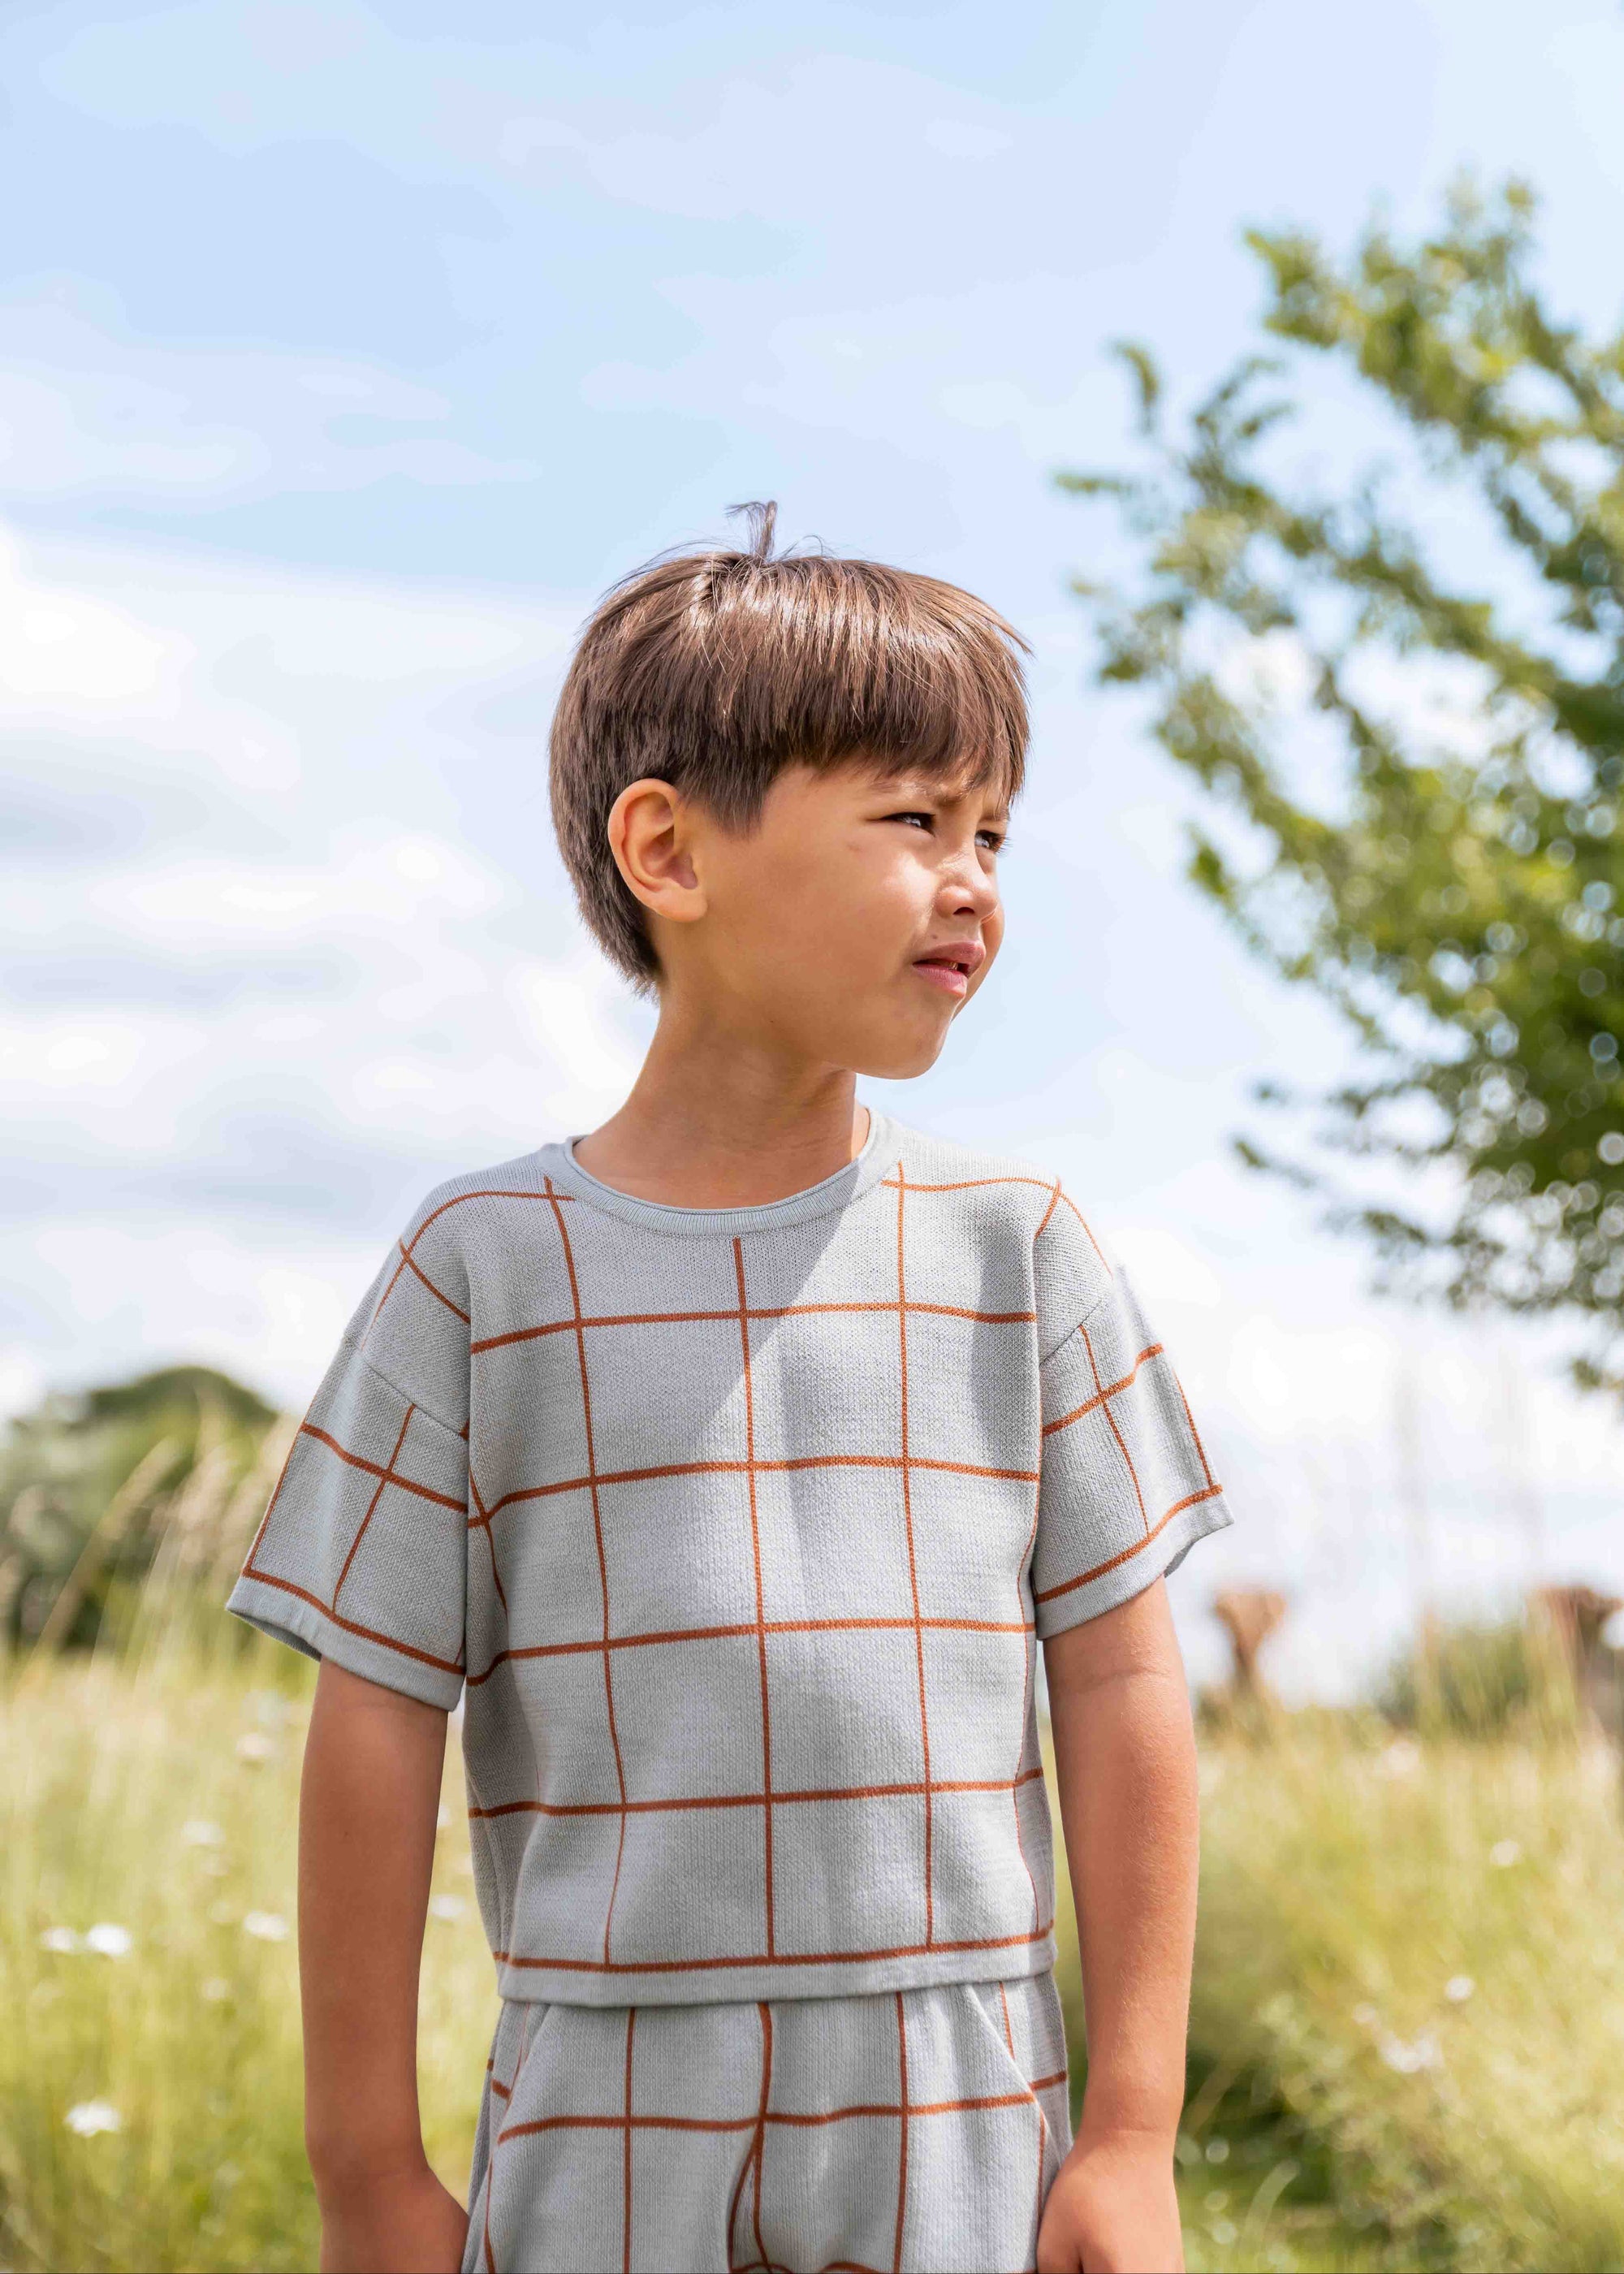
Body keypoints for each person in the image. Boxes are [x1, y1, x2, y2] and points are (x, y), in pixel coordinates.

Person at [229, 503, 1235, 2274]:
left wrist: (1132, 2133)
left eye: (992, 827)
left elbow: (1125, 1676)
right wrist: (365, 2174)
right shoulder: (484, 1265)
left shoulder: (1024, 1251)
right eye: (914, 818)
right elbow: (374, 1717)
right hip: (601, 2088)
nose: (975, 876)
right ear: (668, 852)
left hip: (960, 2082)